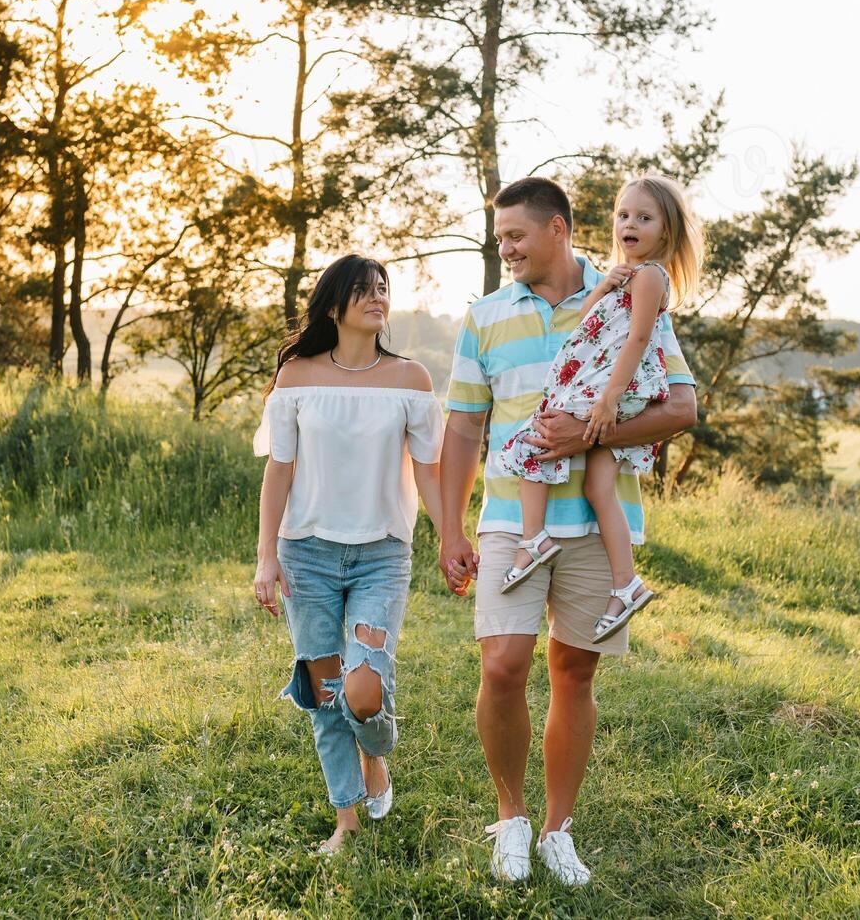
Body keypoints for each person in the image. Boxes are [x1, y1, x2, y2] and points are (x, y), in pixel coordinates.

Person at [437, 177, 699, 885]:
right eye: (499, 239)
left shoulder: (623, 293)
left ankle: (558, 829)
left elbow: (681, 408)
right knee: (502, 664)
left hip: (593, 523)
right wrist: (449, 529)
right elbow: (462, 427)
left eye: (516, 236)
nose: (506, 250)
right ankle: (512, 816)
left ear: (558, 229)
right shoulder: (485, 315)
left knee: (574, 672)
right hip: (507, 523)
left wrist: (584, 437)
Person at [252, 254, 446, 854]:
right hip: (305, 553)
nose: (377, 297)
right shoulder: (298, 376)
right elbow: (278, 471)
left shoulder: (411, 379)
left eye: (382, 288)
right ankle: (346, 821)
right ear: (334, 306)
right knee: (326, 692)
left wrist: (452, 539)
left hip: (381, 554)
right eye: (363, 290)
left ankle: (377, 757)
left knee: (362, 689)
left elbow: (430, 473)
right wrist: (266, 557)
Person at [495, 175, 703, 644]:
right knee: (597, 485)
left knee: (535, 441)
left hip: (614, 388)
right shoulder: (627, 275)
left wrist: (608, 400)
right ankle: (625, 583)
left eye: (644, 218)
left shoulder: (650, 275)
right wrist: (604, 285)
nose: (630, 224)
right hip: (612, 385)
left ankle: (533, 540)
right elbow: (591, 320)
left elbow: (638, 339)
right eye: (624, 215)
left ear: (665, 233)